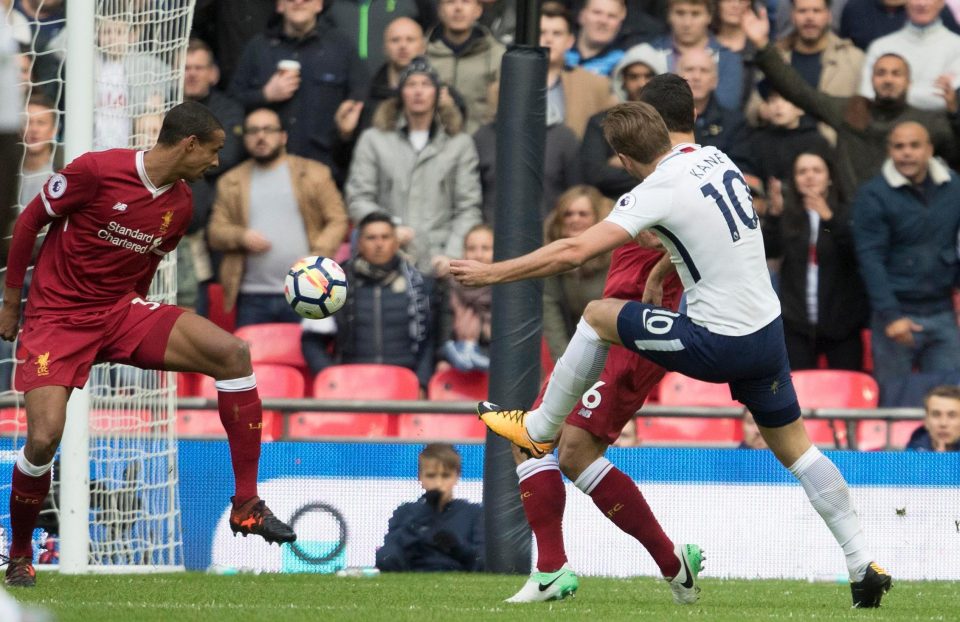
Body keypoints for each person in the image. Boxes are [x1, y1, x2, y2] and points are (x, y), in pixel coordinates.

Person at [451, 100, 892, 608]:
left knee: (598, 314)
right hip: (767, 334)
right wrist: (666, 263)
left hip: (718, 341)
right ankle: (862, 565)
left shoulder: (654, 189)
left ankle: (538, 427)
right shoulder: (715, 158)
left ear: (621, 158)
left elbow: (574, 251)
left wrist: (492, 273)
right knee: (800, 451)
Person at [0, 102, 296, 588]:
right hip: (56, 317)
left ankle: (246, 504)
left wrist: (132, 319)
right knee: (44, 437)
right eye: (214, 152)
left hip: (119, 311)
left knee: (234, 355)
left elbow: (141, 272)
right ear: (189, 144)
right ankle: (18, 554)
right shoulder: (95, 170)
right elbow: (29, 222)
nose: (216, 163)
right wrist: (13, 303)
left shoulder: (180, 206)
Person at [497, 76, 693, 606]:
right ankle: (676, 567)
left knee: (534, 439)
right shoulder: (685, 173)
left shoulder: (677, 180)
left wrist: (494, 273)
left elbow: (581, 250)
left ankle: (552, 570)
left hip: (632, 335)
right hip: (618, 330)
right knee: (575, 455)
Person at [743, 6, 960, 199]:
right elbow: (800, 92)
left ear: (909, 82)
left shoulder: (925, 121)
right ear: (871, 79)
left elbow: (956, 155)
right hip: (853, 215)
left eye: (896, 74)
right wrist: (763, 45)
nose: (888, 79)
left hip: (909, 220)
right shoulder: (853, 110)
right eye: (881, 73)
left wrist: (954, 113)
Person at [208, 107, 348, 327]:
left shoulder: (314, 173)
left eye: (268, 129)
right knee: (251, 359)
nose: (260, 136)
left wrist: (316, 257)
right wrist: (241, 236)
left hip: (307, 288)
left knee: (305, 357)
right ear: (245, 138)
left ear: (283, 136)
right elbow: (216, 232)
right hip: (251, 294)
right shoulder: (231, 181)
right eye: (253, 131)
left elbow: (338, 219)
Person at [346, 57, 482, 276]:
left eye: (426, 85)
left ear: (438, 93)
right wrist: (389, 230)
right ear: (400, 93)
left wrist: (452, 255)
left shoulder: (459, 144)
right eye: (411, 85)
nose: (418, 91)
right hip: (385, 260)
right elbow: (358, 198)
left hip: (439, 260)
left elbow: (468, 207)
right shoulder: (374, 140)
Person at [851, 121, 960, 393]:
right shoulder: (872, 195)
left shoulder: (954, 187)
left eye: (914, 145)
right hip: (895, 315)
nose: (907, 153)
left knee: (950, 403)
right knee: (893, 402)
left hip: (943, 312)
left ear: (929, 149)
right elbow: (870, 259)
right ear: (889, 151)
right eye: (899, 146)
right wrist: (891, 315)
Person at [228, 0, 367, 183]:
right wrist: (265, 95)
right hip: (265, 170)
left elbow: (360, 98)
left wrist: (346, 131)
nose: (299, 2)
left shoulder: (342, 47)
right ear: (279, 5)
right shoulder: (258, 48)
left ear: (319, 5)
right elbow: (231, 103)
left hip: (325, 170)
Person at [763, 151, 869, 371]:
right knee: (797, 390)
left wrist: (828, 217)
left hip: (842, 326)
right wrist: (773, 215)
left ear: (830, 177)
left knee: (845, 392)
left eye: (816, 170)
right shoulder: (789, 216)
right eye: (802, 172)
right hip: (796, 324)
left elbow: (857, 252)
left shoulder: (848, 212)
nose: (809, 176)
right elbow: (769, 250)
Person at [318, 212, 436, 388]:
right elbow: (312, 340)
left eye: (385, 237)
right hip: (351, 382)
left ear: (396, 242)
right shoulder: (333, 283)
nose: (379, 244)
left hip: (404, 382)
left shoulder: (422, 285)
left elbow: (431, 340)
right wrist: (332, 378)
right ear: (359, 243)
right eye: (371, 238)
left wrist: (422, 384)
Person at [375, 443, 483, 572]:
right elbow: (386, 559)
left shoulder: (474, 513)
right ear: (420, 477)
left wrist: (457, 547)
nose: (438, 483)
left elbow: (483, 563)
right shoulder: (405, 512)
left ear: (457, 476)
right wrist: (416, 525)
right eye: (431, 476)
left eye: (446, 476)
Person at [581, 43, 668, 198]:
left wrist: (630, 164)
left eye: (648, 76)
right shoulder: (600, 123)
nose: (641, 83)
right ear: (622, 81)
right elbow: (595, 175)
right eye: (633, 77)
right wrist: (655, 167)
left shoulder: (671, 120)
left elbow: (680, 171)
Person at [542, 186, 613, 361]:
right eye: (568, 214)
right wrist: (565, 363)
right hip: (573, 351)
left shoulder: (614, 256)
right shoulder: (551, 259)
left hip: (613, 349)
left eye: (583, 214)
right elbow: (551, 315)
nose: (575, 219)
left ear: (597, 218)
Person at [858, 0, 960, 111]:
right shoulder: (880, 47)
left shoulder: (957, 47)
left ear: (941, 2)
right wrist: (929, 92)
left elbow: (946, 100)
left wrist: (892, 91)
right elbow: (867, 96)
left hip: (942, 126)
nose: (921, 3)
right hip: (885, 124)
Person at [425, 0, 506, 134]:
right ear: (440, 10)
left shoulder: (498, 56)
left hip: (480, 146)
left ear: (478, 10)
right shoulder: (423, 54)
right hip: (432, 147)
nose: (458, 8)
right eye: (450, 2)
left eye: (466, 1)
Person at [441, 224, 493, 372]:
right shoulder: (451, 286)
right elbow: (443, 333)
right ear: (463, 253)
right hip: (457, 363)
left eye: (486, 248)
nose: (478, 255)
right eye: (471, 249)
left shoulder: (507, 288)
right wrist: (443, 358)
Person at [905, 385, 960, 451]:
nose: (943, 423)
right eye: (936, 415)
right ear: (926, 421)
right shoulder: (911, 456)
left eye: (952, 416)